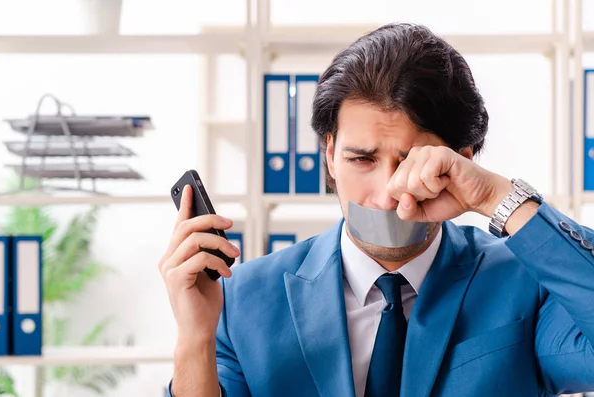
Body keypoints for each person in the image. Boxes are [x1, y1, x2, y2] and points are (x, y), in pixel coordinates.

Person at [159, 23, 594, 397]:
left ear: (462, 161)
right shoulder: (241, 301)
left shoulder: (526, 284)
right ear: (329, 155)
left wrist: (497, 197)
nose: (386, 197)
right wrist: (195, 340)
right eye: (361, 160)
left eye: (412, 163)